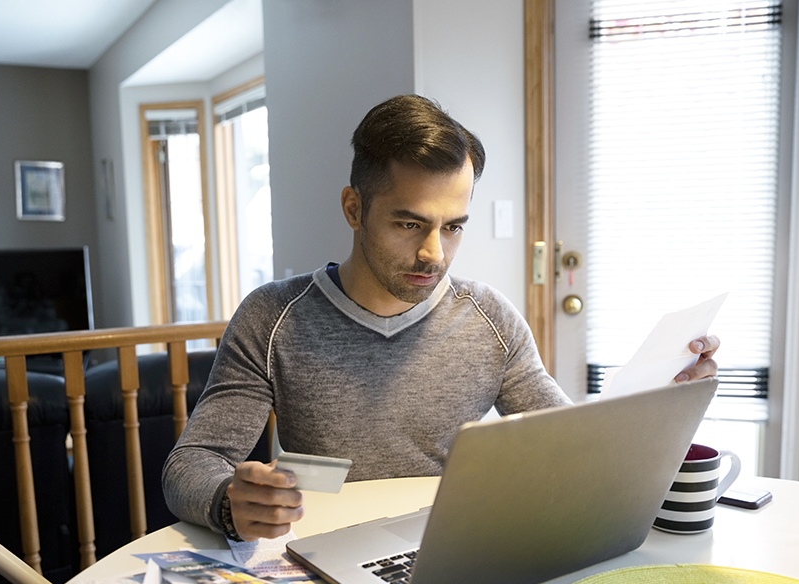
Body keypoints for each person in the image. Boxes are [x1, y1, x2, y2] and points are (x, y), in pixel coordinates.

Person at [162, 95, 719, 542]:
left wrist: (658, 400)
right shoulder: (273, 317)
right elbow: (193, 463)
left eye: (453, 226)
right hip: (321, 553)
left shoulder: (489, 318)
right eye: (410, 225)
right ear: (354, 208)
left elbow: (571, 446)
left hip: (451, 550)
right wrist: (228, 502)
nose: (435, 252)